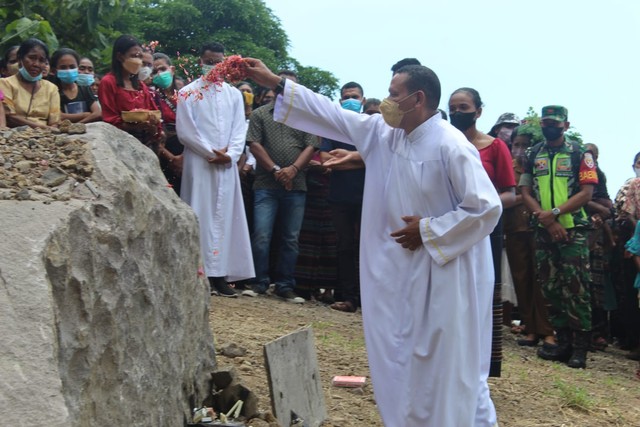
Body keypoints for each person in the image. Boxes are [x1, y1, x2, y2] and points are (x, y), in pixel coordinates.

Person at [245, 59, 502, 427]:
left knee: (445, 361)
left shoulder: (451, 145)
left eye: (394, 94)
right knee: (406, 352)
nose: (385, 101)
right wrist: (275, 82)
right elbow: (333, 116)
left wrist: (428, 230)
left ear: (418, 98)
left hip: (447, 272)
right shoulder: (386, 132)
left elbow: (485, 207)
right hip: (405, 268)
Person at [520, 105, 598, 369]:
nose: (548, 126)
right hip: (543, 229)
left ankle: (580, 349)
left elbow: (587, 194)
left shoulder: (580, 153)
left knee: (577, 289)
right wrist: (545, 218)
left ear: (565, 125)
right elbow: (526, 191)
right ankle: (561, 342)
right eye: (545, 122)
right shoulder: (533, 153)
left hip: (574, 229)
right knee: (550, 286)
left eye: (554, 122)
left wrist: (553, 214)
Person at [176, 42, 254, 297]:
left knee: (225, 218)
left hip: (226, 165)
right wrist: (212, 153)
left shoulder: (233, 94)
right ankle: (200, 273)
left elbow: (239, 128)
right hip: (201, 163)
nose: (214, 65)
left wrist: (230, 155)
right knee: (201, 214)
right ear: (201, 61)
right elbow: (186, 131)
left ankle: (220, 275)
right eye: (209, 60)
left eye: (218, 61)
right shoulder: (188, 92)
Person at [448, 87, 516, 377]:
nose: (457, 113)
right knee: (450, 292)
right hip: (447, 228)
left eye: (463, 107)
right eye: (452, 108)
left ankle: (478, 369)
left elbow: (510, 194)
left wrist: (480, 211)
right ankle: (448, 361)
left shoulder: (494, 147)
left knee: (481, 295)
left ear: (478, 111)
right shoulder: (443, 141)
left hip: (485, 230)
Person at [246, 70, 319, 304]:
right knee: (261, 234)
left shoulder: (306, 117)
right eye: (283, 85)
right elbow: (254, 145)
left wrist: (293, 170)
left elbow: (311, 147)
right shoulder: (260, 113)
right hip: (265, 183)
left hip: (296, 185)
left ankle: (285, 285)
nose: (287, 89)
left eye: (292, 86)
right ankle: (259, 282)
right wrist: (277, 170)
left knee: (290, 238)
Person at [504, 124, 555, 347]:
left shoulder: (541, 167)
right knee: (521, 278)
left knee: (541, 279)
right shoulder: (507, 167)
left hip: (539, 228)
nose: (521, 149)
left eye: (525, 145)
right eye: (517, 145)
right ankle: (530, 328)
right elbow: (503, 198)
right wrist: (524, 197)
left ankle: (548, 330)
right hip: (514, 228)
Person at [319, 81, 368, 312]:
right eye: (347, 96)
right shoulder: (333, 127)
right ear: (340, 101)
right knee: (345, 248)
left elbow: (379, 157)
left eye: (355, 96)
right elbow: (326, 158)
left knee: (369, 249)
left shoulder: (371, 127)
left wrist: (347, 159)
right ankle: (349, 298)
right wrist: (358, 160)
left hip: (369, 198)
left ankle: (369, 300)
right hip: (339, 198)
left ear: (363, 100)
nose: (351, 100)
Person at [98, 35, 163, 151]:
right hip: (120, 144)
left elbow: (154, 115)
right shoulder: (108, 82)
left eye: (140, 57)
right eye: (133, 56)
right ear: (120, 56)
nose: (138, 61)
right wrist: (134, 125)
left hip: (144, 144)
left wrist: (153, 125)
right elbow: (109, 119)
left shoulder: (140, 85)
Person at [0, 38, 60, 129]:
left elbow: (54, 122)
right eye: (32, 58)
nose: (36, 64)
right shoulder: (6, 83)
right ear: (20, 59)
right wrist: (44, 128)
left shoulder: (51, 88)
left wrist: (49, 131)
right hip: (15, 137)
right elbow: (10, 117)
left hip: (46, 137)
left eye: (41, 60)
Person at [151, 52, 183, 195]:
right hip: (164, 157)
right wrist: (171, 158)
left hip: (188, 156)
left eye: (162, 69)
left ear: (172, 69)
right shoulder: (150, 97)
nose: (159, 74)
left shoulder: (185, 95)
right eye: (154, 71)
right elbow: (153, 133)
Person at [49, 48, 102, 123]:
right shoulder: (54, 92)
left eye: (72, 67)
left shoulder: (84, 89)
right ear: (54, 71)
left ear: (77, 68)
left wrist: (77, 125)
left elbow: (97, 113)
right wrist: (85, 115)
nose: (68, 70)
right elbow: (58, 116)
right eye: (63, 67)